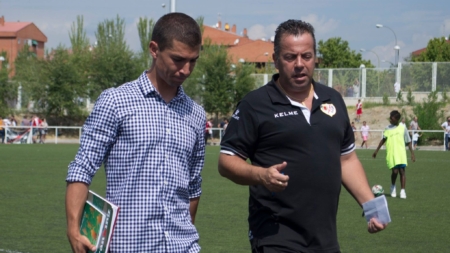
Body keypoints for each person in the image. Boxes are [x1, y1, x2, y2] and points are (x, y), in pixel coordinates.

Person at [218, 19, 386, 253]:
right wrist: (261, 175)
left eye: (306, 56)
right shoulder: (255, 104)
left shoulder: (333, 100)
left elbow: (347, 160)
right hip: (275, 235)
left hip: (324, 238)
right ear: (276, 60)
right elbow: (226, 162)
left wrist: (371, 207)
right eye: (290, 57)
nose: (299, 64)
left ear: (315, 57)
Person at [65, 13, 206, 253]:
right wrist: (73, 229)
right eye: (178, 59)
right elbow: (82, 167)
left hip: (183, 247)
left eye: (193, 61)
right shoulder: (115, 101)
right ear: (154, 49)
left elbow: (193, 187)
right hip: (128, 245)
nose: (186, 70)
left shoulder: (196, 114)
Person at [373, 110, 415, 199]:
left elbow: (408, 141)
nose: (390, 120)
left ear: (397, 119)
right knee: (395, 171)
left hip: (401, 153)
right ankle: (393, 186)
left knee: (402, 171)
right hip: (392, 154)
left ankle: (403, 191)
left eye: (392, 118)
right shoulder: (387, 128)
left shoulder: (403, 128)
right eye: (390, 118)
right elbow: (383, 140)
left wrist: (412, 153)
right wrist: (376, 151)